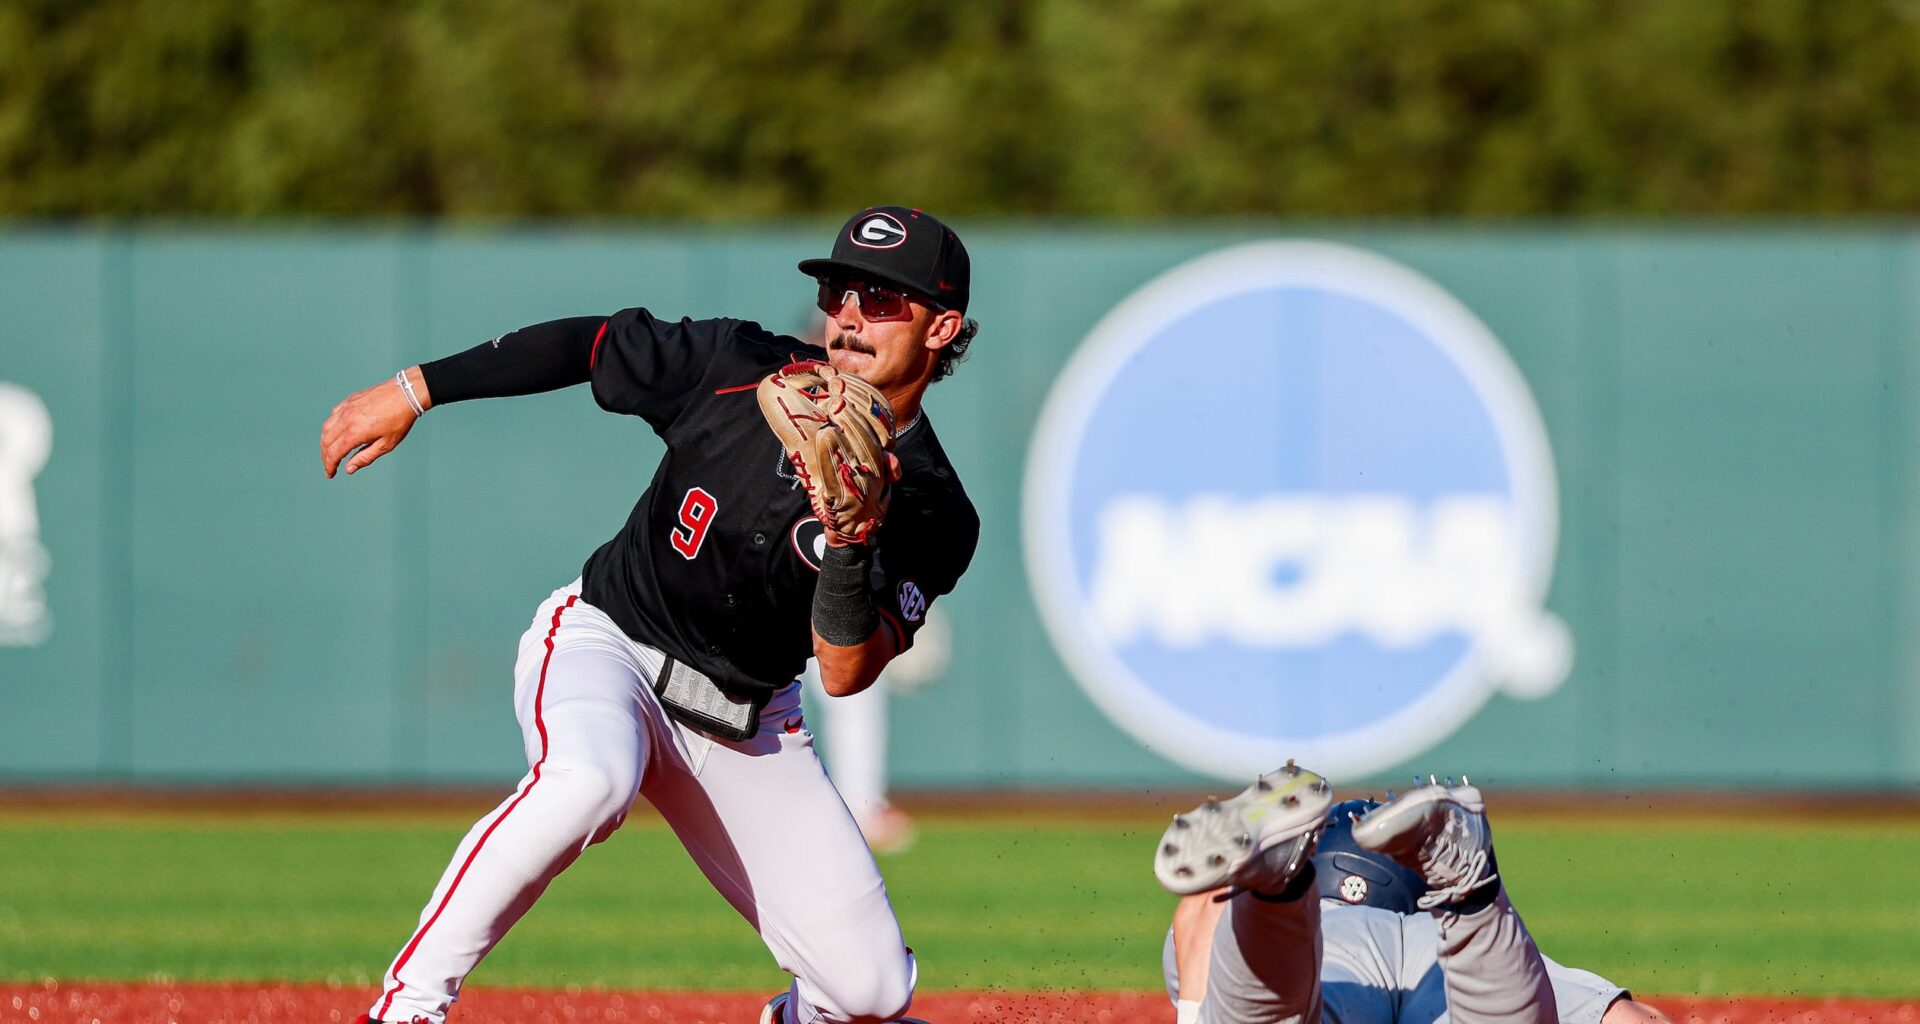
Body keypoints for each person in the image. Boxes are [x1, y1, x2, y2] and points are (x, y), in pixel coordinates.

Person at [318, 206, 981, 1024]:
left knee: (871, 995)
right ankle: (407, 1008)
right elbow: (592, 343)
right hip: (611, 646)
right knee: (589, 781)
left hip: (747, 719)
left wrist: (851, 543)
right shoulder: (742, 364)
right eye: (841, 289)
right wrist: (415, 390)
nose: (848, 313)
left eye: (883, 299)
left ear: (942, 326)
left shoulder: (936, 507)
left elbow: (845, 672)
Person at [1154, 766, 1673, 1024]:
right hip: (1442, 957)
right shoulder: (1431, 935)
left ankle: (1277, 887)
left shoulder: (1309, 919)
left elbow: (1200, 905)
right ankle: (1471, 895)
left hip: (1325, 952)